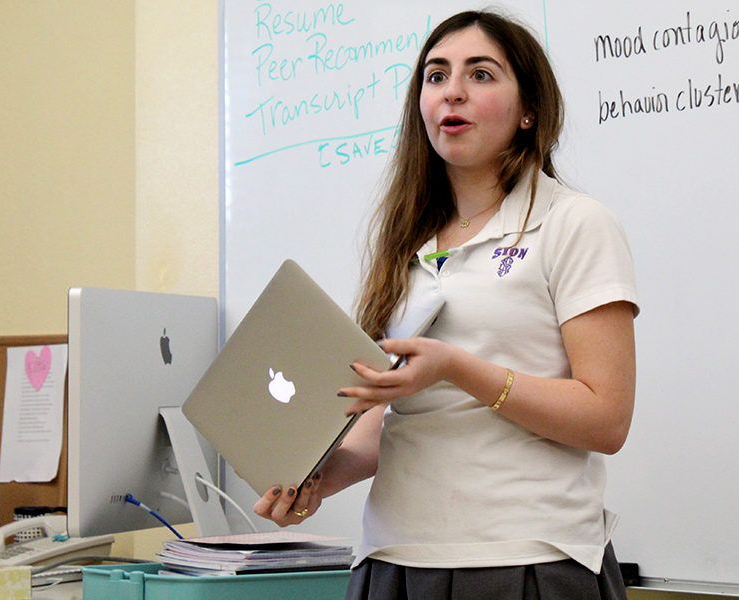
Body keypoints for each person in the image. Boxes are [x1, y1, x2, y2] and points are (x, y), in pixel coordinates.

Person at [253, 9, 639, 600]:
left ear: (529, 110)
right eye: (436, 76)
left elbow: (606, 418)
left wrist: (458, 368)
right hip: (393, 558)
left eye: (481, 75)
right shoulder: (406, 245)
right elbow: (391, 423)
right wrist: (316, 480)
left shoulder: (573, 223)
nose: (452, 90)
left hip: (525, 557)